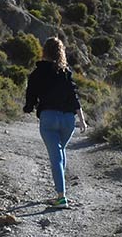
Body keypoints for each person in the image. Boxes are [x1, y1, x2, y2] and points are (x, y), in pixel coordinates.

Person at [23, 36, 88, 208]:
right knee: (60, 152)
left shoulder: (38, 72)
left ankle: (61, 197)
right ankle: (61, 193)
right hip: (68, 120)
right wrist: (81, 119)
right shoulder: (65, 72)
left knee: (56, 157)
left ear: (44, 51)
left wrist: (29, 107)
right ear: (61, 52)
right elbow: (74, 96)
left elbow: (31, 94)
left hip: (49, 118)